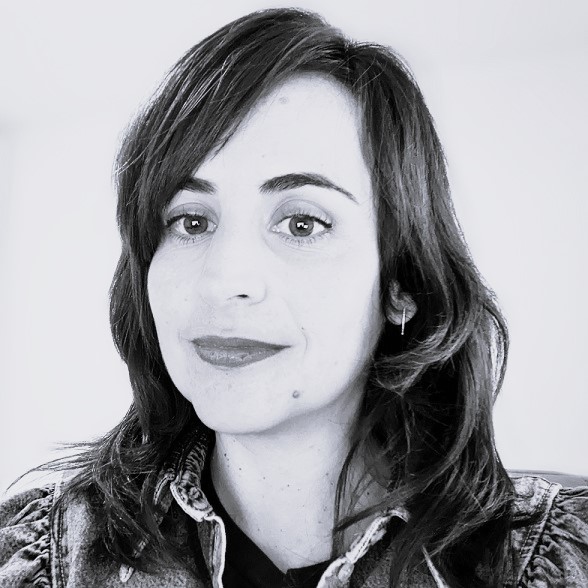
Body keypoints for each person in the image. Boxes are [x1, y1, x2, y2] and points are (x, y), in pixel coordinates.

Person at [0, 7, 586, 587]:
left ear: (402, 283)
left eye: (302, 223)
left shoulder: (548, 563)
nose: (223, 279)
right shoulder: (40, 562)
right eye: (191, 221)